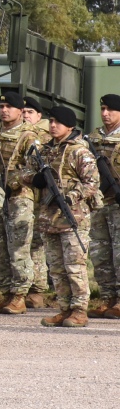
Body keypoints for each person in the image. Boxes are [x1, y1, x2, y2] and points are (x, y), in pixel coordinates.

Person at [21, 106, 99, 328]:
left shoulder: (79, 151)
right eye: (51, 121)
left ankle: (79, 310)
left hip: (73, 217)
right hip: (48, 218)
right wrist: (35, 178)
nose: (53, 125)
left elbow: (92, 183)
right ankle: (64, 308)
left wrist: (71, 196)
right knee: (56, 267)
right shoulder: (44, 150)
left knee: (74, 266)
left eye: (58, 122)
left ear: (70, 126)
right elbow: (24, 171)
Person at [0, 92, 40, 314]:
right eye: (1, 106)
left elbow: (36, 167)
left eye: (9, 106)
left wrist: (15, 182)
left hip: (19, 198)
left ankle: (19, 295)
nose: (4, 110)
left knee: (18, 247)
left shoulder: (29, 136)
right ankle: (6, 292)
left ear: (20, 111)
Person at [88, 94, 120, 318]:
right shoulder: (93, 137)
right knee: (100, 252)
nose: (105, 113)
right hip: (99, 202)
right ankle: (107, 297)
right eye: (103, 109)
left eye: (110, 109)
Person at [21, 96, 52, 307]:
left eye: (30, 112)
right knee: (23, 242)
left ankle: (38, 290)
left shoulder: (44, 139)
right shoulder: (18, 136)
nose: (25, 116)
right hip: (23, 196)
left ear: (39, 116)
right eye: (22, 112)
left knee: (37, 243)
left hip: (40, 198)